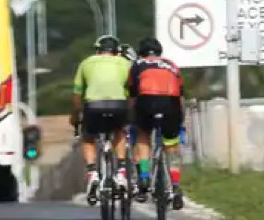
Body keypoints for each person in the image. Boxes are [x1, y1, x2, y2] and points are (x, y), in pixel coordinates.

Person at [70, 34, 132, 204]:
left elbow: (77, 95)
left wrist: (76, 116)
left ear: (97, 51)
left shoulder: (86, 63)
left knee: (88, 137)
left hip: (93, 106)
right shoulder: (125, 63)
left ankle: (92, 173)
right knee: (119, 132)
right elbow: (132, 90)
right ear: (117, 52)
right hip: (118, 106)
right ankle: (120, 172)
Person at [128, 36, 185, 209]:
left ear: (141, 52)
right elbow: (181, 95)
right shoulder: (172, 65)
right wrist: (180, 119)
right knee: (171, 145)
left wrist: (132, 117)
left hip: (147, 102)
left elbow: (132, 94)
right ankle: (175, 187)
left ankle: (144, 176)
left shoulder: (137, 65)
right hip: (171, 104)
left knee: (143, 137)